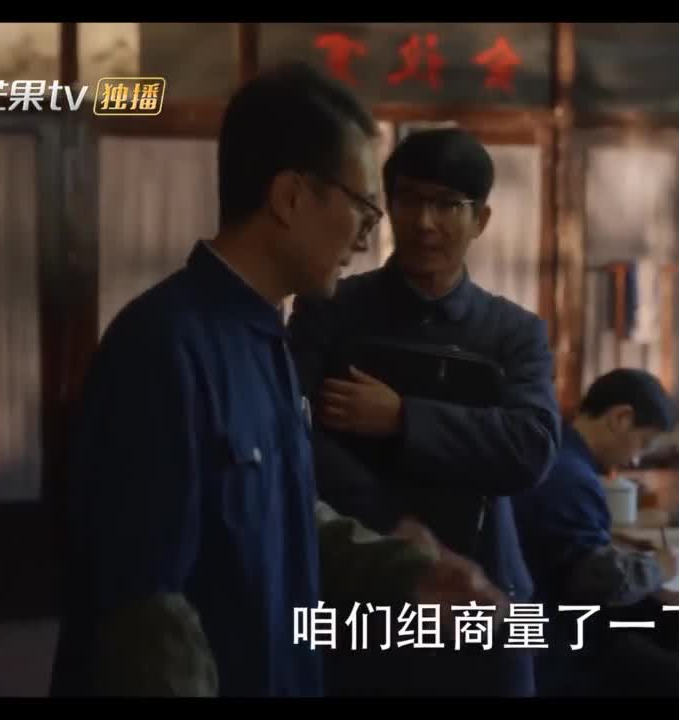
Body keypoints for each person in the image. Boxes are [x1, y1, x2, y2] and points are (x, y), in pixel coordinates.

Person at [49, 63, 505, 698]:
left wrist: (404, 570)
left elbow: (281, 513)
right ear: (290, 197)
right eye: (364, 209)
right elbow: (146, 612)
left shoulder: (265, 337)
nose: (367, 239)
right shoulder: (164, 349)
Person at [286, 127, 560, 696]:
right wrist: (393, 529)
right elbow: (295, 438)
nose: (426, 222)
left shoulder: (514, 332)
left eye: (448, 205)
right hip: (360, 584)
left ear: (480, 219)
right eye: (410, 200)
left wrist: (403, 419)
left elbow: (532, 448)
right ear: (388, 206)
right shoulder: (331, 308)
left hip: (486, 587)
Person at [512, 368, 679, 695]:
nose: (635, 460)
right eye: (644, 442)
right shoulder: (572, 477)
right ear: (621, 418)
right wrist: (658, 568)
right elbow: (598, 581)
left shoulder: (556, 452)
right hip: (553, 647)